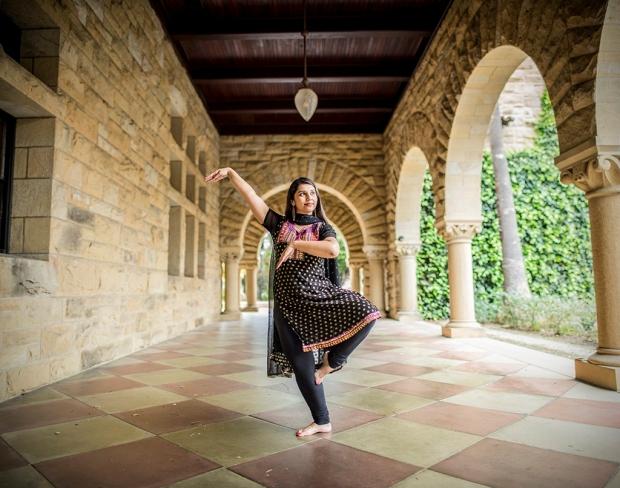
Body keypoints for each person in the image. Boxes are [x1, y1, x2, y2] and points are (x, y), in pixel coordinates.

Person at [205, 168, 381, 437]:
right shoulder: (279, 226)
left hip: (318, 298)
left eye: (312, 193)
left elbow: (332, 249)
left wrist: (297, 244)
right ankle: (322, 420)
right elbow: (251, 195)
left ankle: (333, 361)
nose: (309, 198)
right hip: (288, 307)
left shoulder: (322, 228)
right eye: (302, 194)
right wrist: (231, 173)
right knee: (302, 367)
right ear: (293, 200)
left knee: (367, 312)